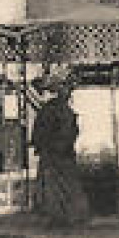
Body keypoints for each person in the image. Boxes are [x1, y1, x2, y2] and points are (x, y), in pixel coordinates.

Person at [30, 73, 89, 228]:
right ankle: (65, 216)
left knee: (57, 186)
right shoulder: (58, 109)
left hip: (56, 152)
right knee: (62, 186)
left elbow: (63, 131)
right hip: (58, 152)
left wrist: (46, 146)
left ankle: (64, 217)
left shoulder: (55, 110)